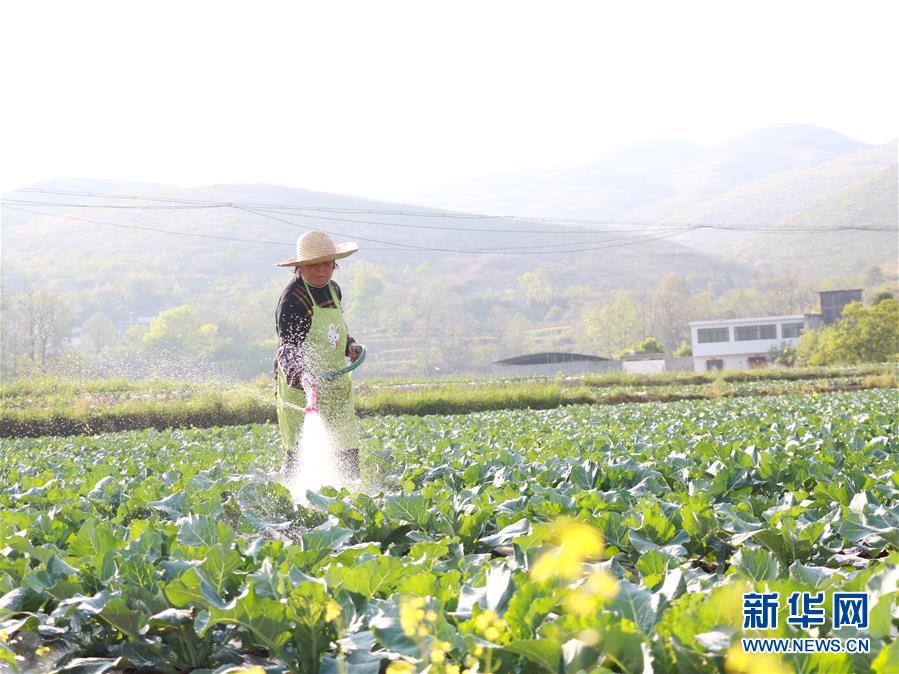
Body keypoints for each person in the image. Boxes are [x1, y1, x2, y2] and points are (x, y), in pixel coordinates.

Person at [274, 230, 362, 480]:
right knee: (300, 454)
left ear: (335, 265)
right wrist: (302, 376)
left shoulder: (333, 289)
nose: (320, 270)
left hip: (336, 389)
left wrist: (349, 346)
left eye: (326, 264)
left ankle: (352, 506)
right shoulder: (294, 298)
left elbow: (334, 331)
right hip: (304, 392)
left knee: (347, 451)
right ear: (300, 267)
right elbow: (288, 347)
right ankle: (295, 509)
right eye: (313, 265)